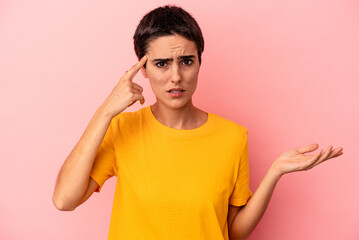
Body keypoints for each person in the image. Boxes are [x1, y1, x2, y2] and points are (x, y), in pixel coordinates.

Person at [52, 5, 343, 240]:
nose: (176, 76)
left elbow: (232, 232)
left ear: (200, 62)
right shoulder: (121, 129)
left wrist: (275, 171)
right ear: (142, 68)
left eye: (187, 61)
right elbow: (65, 200)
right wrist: (105, 111)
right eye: (162, 63)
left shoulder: (233, 137)